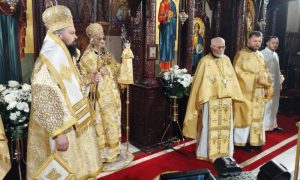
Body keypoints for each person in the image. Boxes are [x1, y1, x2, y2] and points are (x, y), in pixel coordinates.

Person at [26, 5, 102, 179]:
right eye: (71, 32)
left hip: (75, 124)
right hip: (62, 128)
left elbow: (74, 86)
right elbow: (45, 97)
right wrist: (59, 133)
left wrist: (90, 79)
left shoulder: (68, 57)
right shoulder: (46, 64)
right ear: (58, 35)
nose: (76, 36)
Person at [182, 37, 244, 162]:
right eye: (219, 47)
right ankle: (205, 152)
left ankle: (225, 152)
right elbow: (199, 84)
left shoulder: (227, 60)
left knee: (226, 128)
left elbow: (232, 79)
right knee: (208, 128)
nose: (221, 50)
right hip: (210, 101)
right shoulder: (205, 61)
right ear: (211, 47)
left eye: (223, 47)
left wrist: (233, 94)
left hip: (226, 101)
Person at [79, 23, 122, 163]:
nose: (102, 41)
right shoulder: (86, 58)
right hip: (98, 99)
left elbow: (116, 69)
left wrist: (125, 60)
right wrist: (94, 76)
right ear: (92, 39)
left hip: (112, 95)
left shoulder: (105, 53)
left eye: (103, 38)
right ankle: (103, 154)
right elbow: (80, 80)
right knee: (103, 124)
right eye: (99, 38)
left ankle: (114, 151)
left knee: (112, 122)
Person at [233, 31, 273, 151]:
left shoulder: (260, 55)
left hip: (259, 93)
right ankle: (241, 142)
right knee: (245, 116)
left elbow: (265, 71)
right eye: (255, 41)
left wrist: (267, 84)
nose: (257, 43)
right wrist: (255, 78)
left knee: (257, 117)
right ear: (249, 40)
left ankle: (254, 140)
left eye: (259, 41)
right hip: (246, 92)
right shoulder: (241, 54)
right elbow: (237, 73)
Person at [261, 36, 284, 132]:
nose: (275, 45)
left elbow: (277, 71)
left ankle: (273, 125)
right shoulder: (262, 54)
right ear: (267, 43)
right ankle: (265, 127)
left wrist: (280, 83)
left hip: (276, 85)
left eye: (277, 43)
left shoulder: (276, 55)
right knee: (267, 106)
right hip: (267, 85)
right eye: (273, 42)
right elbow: (261, 71)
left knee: (275, 105)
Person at [158, 0, 177, 71]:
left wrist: (172, 19)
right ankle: (163, 67)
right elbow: (159, 18)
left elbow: (175, 16)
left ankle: (170, 67)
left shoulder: (173, 4)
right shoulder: (163, 3)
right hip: (165, 29)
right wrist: (165, 17)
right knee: (165, 47)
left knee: (170, 47)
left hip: (171, 29)